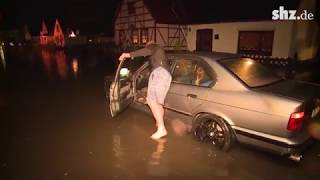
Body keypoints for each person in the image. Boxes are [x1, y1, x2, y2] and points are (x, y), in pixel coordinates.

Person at [119, 41, 172, 140]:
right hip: (166, 75)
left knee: (151, 101)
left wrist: (128, 54)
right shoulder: (160, 55)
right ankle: (159, 123)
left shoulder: (153, 46)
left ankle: (161, 129)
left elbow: (145, 51)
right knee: (159, 104)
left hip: (159, 74)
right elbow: (149, 67)